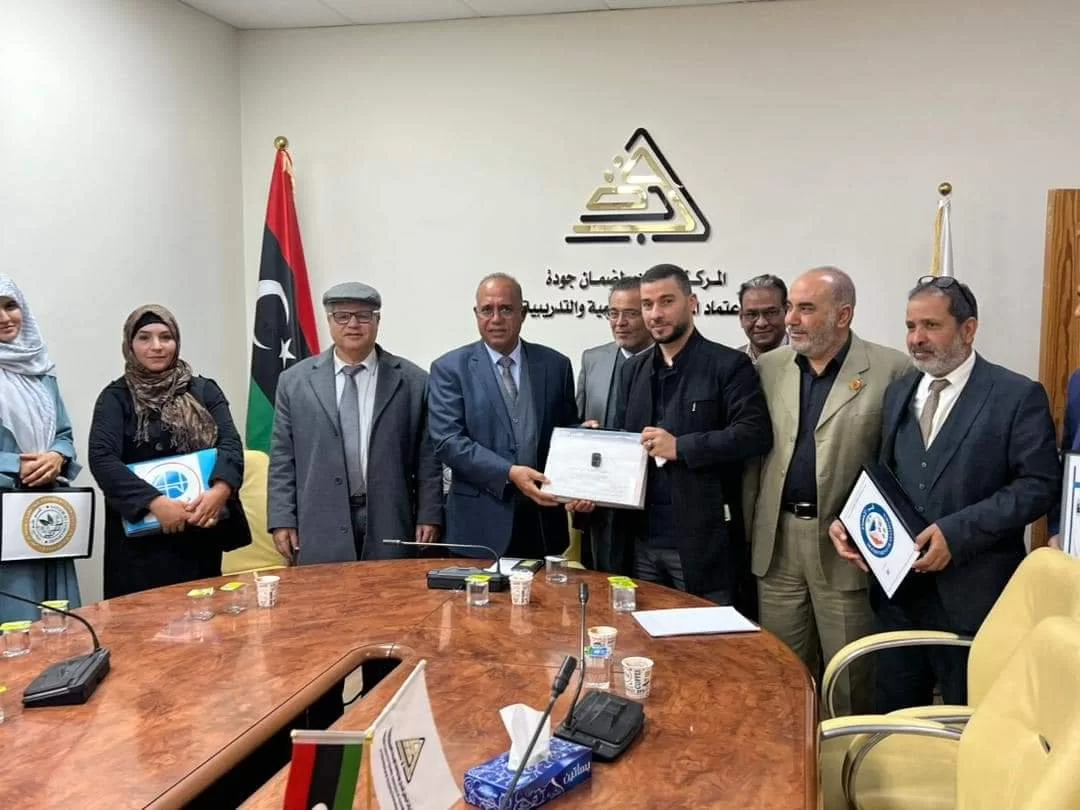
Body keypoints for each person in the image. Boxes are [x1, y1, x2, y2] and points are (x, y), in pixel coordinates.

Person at [829, 276, 1060, 712]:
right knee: (894, 721)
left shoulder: (1016, 395)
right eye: (910, 326)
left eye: (931, 326)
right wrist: (852, 523)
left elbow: (1039, 486)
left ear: (968, 329)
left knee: (968, 724)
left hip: (974, 600)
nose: (916, 339)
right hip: (898, 599)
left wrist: (957, 533)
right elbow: (887, 477)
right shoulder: (899, 392)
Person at [745, 266, 911, 714]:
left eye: (805, 309)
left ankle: (849, 754)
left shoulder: (891, 370)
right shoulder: (769, 368)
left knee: (849, 676)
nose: (790, 320)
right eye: (790, 308)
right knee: (782, 671)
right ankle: (789, 753)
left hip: (846, 547)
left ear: (843, 315)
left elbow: (900, 464)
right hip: (778, 544)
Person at [609, 263, 773, 602]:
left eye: (667, 301)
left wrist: (681, 447)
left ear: (692, 303)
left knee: (703, 632)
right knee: (639, 630)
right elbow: (622, 441)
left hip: (701, 542)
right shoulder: (632, 370)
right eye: (647, 304)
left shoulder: (728, 365)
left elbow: (754, 433)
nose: (656, 313)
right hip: (640, 540)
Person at [268, 282, 442, 564]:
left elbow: (428, 458)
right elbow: (282, 458)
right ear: (329, 321)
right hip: (319, 519)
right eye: (342, 316)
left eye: (363, 315)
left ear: (377, 320)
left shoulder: (414, 381)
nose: (353, 324)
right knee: (327, 591)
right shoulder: (294, 382)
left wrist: (429, 514)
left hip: (390, 517)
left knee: (389, 590)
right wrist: (281, 519)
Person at [89, 305, 251, 598]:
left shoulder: (204, 390)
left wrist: (220, 491)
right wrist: (155, 503)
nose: (157, 346)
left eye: (166, 337)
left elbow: (230, 444)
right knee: (143, 621)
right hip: (139, 546)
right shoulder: (115, 398)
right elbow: (102, 459)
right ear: (129, 344)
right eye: (144, 337)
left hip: (199, 532)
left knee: (206, 614)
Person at [428, 273, 579, 560]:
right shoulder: (450, 369)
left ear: (523, 313)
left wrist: (584, 442)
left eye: (506, 309)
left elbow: (566, 430)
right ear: (476, 314)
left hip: (542, 523)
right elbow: (448, 442)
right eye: (487, 310)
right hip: (478, 527)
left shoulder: (555, 365)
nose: (496, 319)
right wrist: (509, 473)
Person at [0, 276, 82, 621]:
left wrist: (57, 456)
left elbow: (64, 434)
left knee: (57, 620)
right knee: (15, 623)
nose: (5, 317)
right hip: (5, 516)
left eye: (11, 306)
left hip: (45, 511)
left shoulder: (40, 371)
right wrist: (14, 465)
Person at [576, 276, 652, 571]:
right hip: (601, 505)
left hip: (652, 506)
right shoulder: (593, 359)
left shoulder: (668, 359)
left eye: (631, 313)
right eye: (613, 313)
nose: (620, 322)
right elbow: (577, 423)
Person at [736, 274, 790, 363]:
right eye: (751, 314)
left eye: (770, 313)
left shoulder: (808, 359)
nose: (761, 323)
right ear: (741, 318)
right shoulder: (732, 362)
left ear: (787, 313)